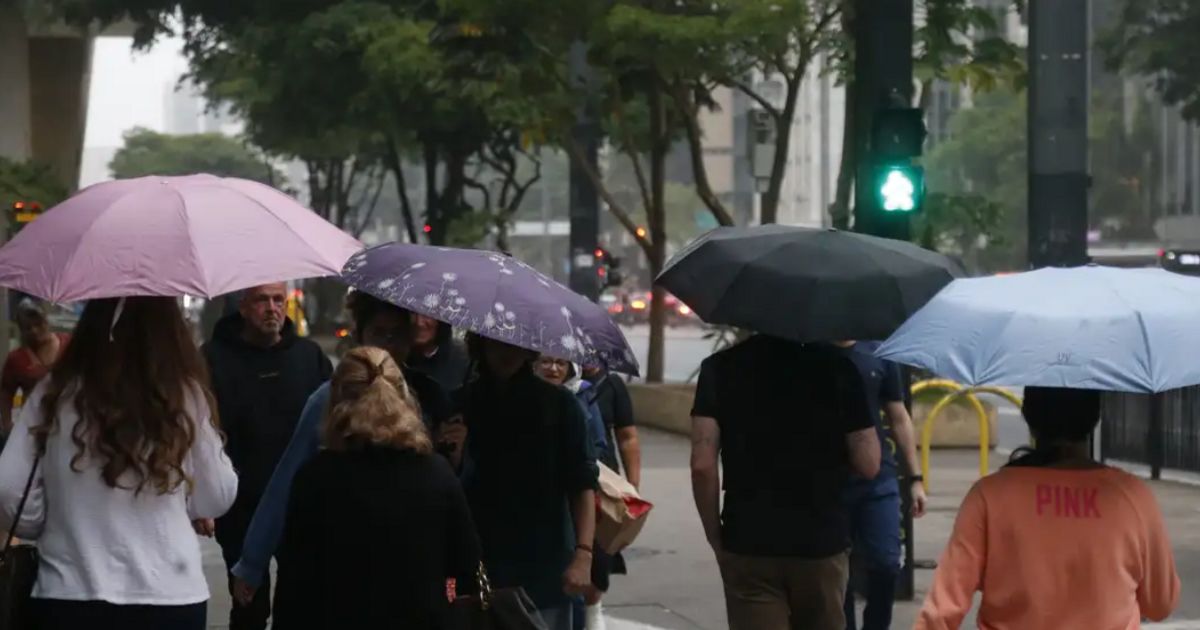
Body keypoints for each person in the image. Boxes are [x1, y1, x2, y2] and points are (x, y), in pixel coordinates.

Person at [0, 297, 237, 629]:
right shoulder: (184, 395)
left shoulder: (55, 392)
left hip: (70, 594)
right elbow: (217, 494)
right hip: (169, 595)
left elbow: (9, 487)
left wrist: (55, 523)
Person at [229, 290, 453, 610]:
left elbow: (452, 489)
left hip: (413, 565)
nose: (388, 343)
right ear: (361, 335)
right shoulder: (330, 399)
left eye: (397, 334)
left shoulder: (430, 396)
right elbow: (287, 480)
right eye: (379, 333)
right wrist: (253, 561)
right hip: (343, 563)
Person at [916, 387, 1180, 629]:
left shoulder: (990, 496)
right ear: (1094, 419)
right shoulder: (1133, 496)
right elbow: (1159, 604)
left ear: (1028, 416)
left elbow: (941, 612)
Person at [272, 347, 480, 628]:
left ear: (335, 402)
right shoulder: (436, 474)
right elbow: (466, 563)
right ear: (404, 399)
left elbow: (294, 583)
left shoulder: (316, 478)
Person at [690, 335, 880, 630]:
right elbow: (869, 463)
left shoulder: (720, 367)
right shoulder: (839, 368)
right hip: (821, 541)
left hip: (749, 540)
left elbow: (702, 465)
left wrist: (715, 536)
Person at [202, 283, 333, 630]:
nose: (272, 308)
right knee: (248, 606)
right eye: (262, 300)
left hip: (300, 502)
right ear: (243, 306)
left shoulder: (309, 357)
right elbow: (199, 430)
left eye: (279, 300)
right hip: (240, 503)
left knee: (300, 603)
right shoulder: (213, 359)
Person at [449, 335, 598, 630]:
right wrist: (454, 455)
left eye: (514, 343)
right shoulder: (459, 404)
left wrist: (584, 554)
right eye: (496, 342)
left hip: (544, 563)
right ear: (481, 343)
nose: (506, 352)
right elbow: (445, 489)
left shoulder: (560, 405)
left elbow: (581, 484)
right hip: (477, 564)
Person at [833, 341, 927, 630]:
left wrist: (915, 479)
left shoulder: (880, 354)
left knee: (886, 563)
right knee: (838, 571)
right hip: (831, 482)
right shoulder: (816, 351)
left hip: (879, 479)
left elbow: (899, 417)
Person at [534, 356, 611, 630]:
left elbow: (601, 446)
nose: (553, 368)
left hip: (574, 505)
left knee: (573, 585)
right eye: (545, 361)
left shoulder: (578, 398)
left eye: (560, 363)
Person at [0, 300, 69, 435]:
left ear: (46, 321)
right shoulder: (16, 358)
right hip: (32, 425)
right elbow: (6, 393)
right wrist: (7, 424)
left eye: (38, 324)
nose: (34, 331)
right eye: (27, 327)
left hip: (65, 421)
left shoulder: (68, 346)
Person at [582, 366, 640, 489]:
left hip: (606, 473)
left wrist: (633, 486)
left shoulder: (611, 383)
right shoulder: (558, 380)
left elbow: (627, 437)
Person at [408, 313, 472, 391]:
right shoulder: (395, 354)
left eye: (426, 314)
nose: (419, 323)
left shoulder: (462, 358)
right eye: (413, 313)